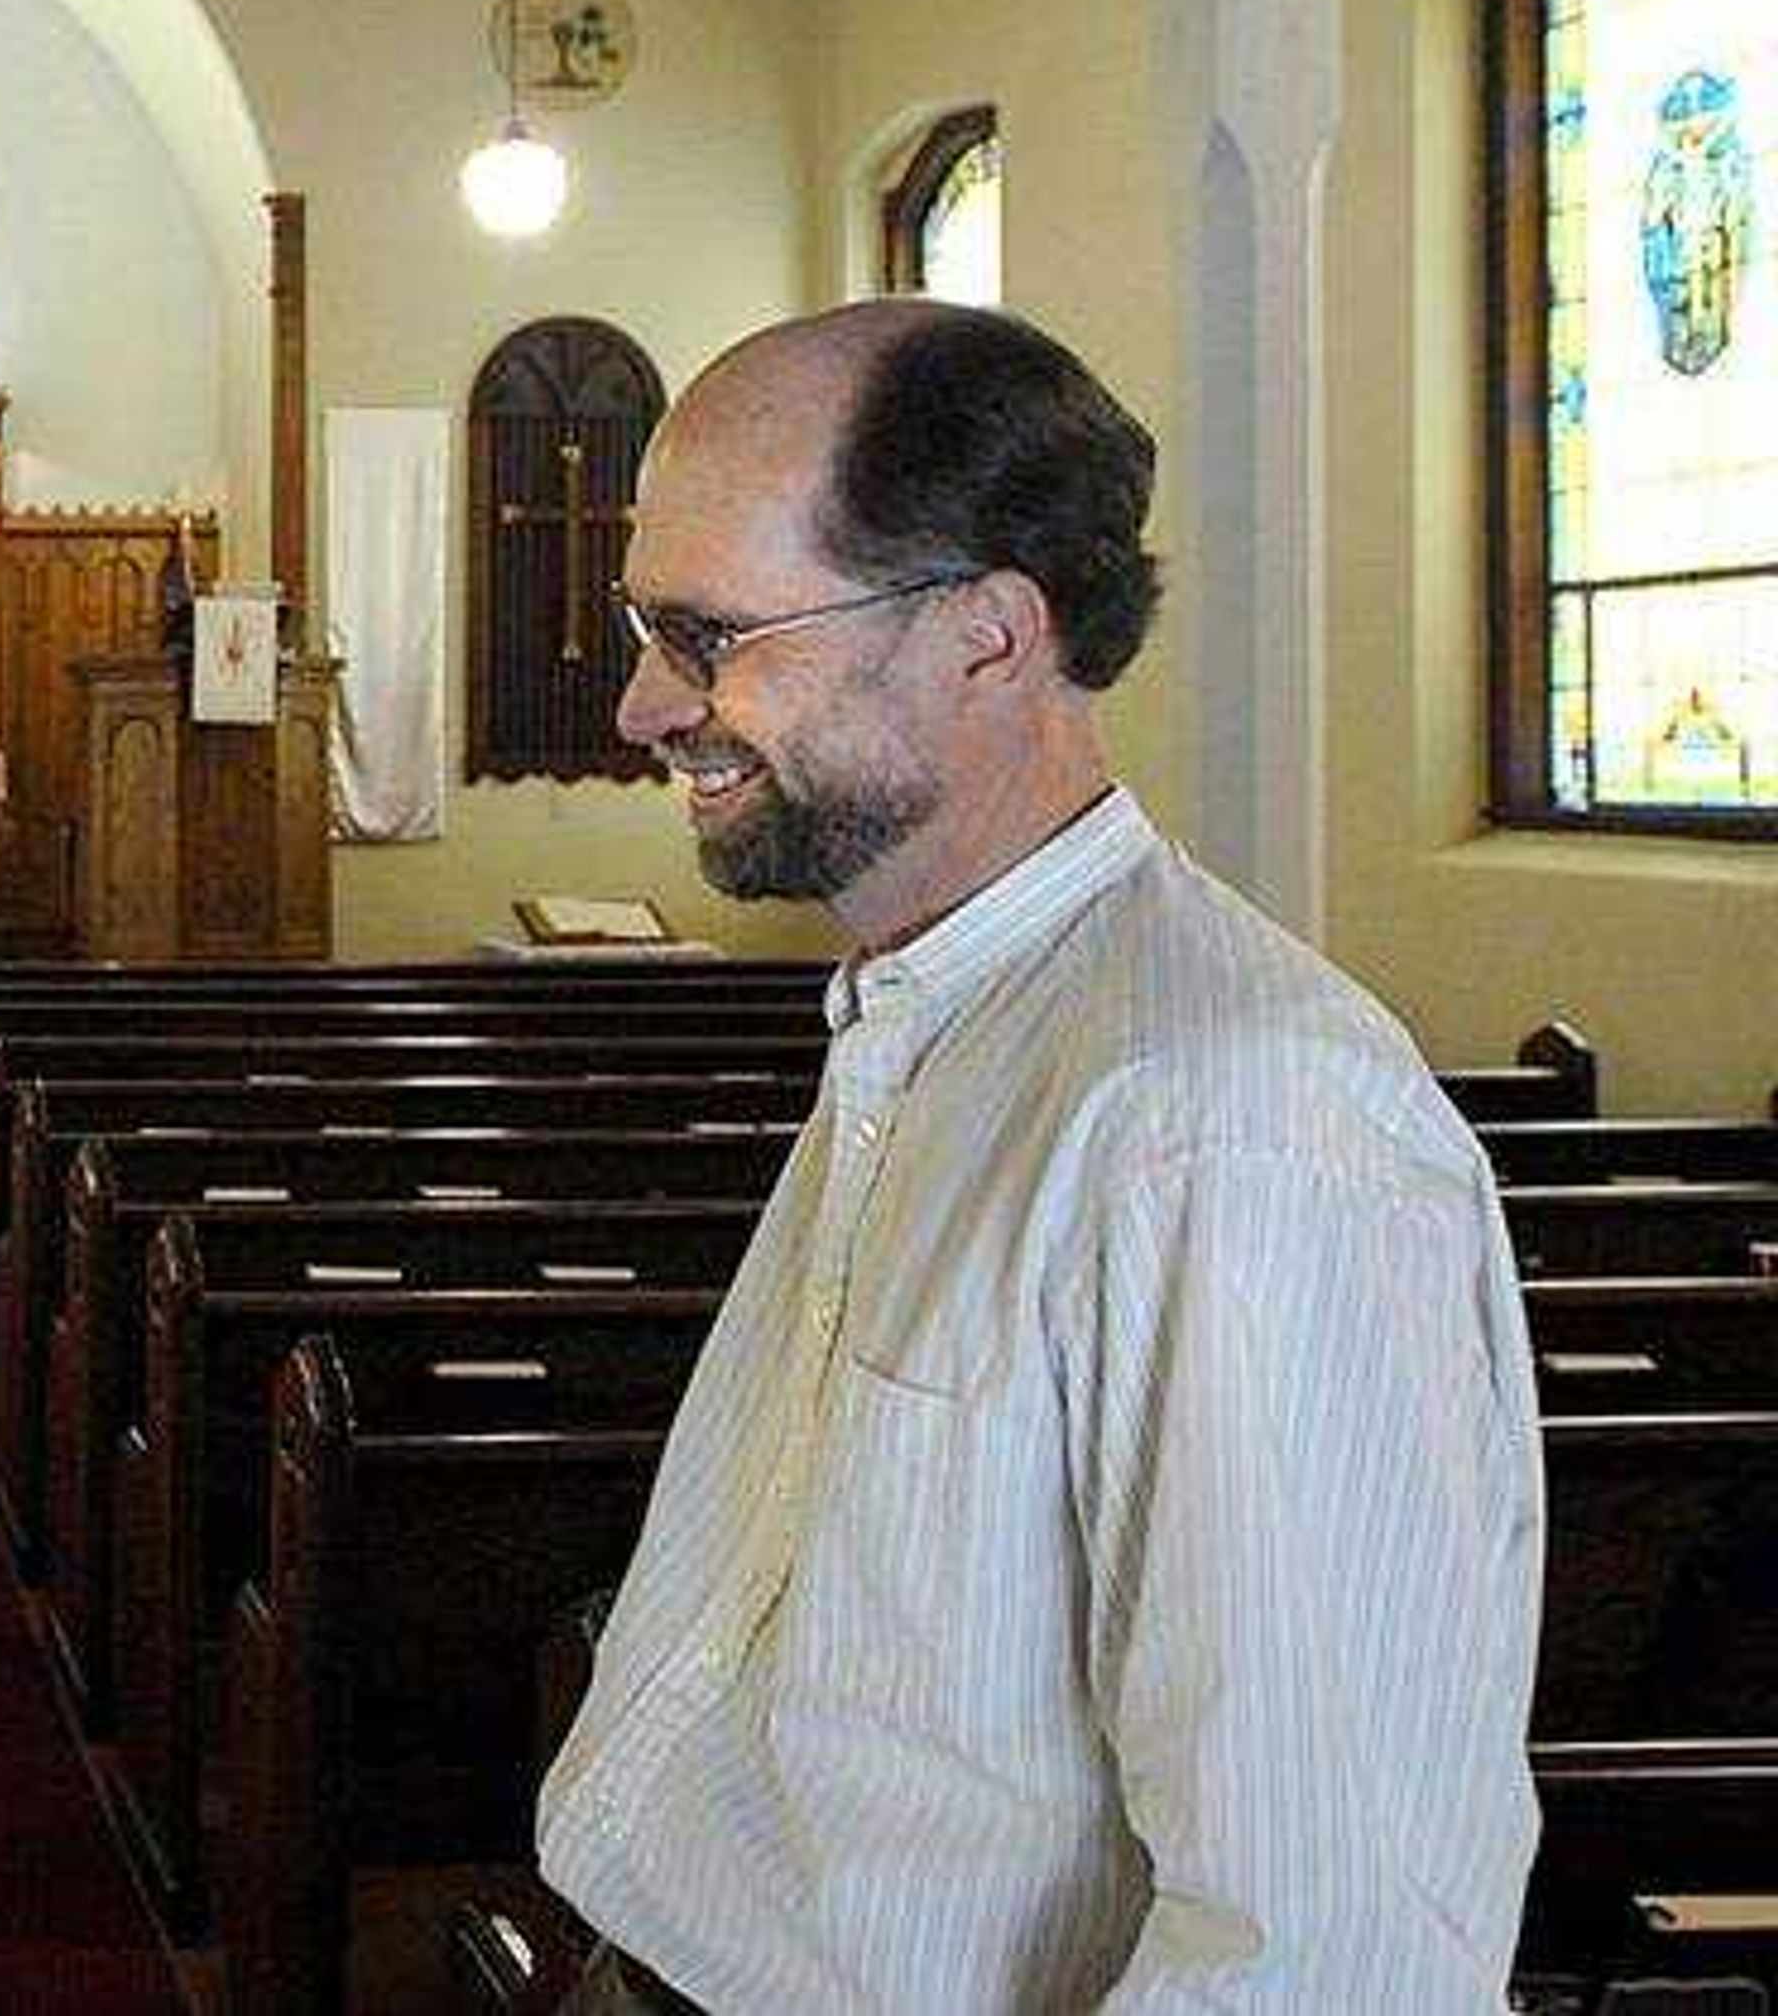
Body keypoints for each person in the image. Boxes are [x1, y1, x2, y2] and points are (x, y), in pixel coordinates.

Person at [534, 300, 1543, 2013]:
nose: (643, 705)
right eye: (650, 627)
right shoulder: (940, 1008)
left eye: (709, 636)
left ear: (991, 636)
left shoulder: (1231, 1124)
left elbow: (1328, 1950)